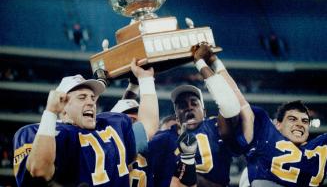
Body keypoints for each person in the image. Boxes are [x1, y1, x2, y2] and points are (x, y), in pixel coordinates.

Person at [13, 59, 159, 187]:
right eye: (82, 97)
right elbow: (40, 171)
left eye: (92, 97)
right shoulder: (44, 134)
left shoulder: (111, 125)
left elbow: (149, 126)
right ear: (63, 108)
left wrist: (145, 79)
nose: (90, 102)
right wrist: (50, 112)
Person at [197, 44, 327, 186]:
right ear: (277, 124)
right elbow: (236, 97)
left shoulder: (319, 148)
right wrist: (213, 62)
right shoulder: (266, 135)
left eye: (305, 121)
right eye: (292, 119)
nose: (300, 124)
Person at [149, 43, 241, 187]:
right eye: (182, 105)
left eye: (194, 103)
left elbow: (230, 105)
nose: (189, 108)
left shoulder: (214, 127)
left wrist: (202, 62)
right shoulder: (165, 137)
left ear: (204, 111)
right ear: (176, 115)